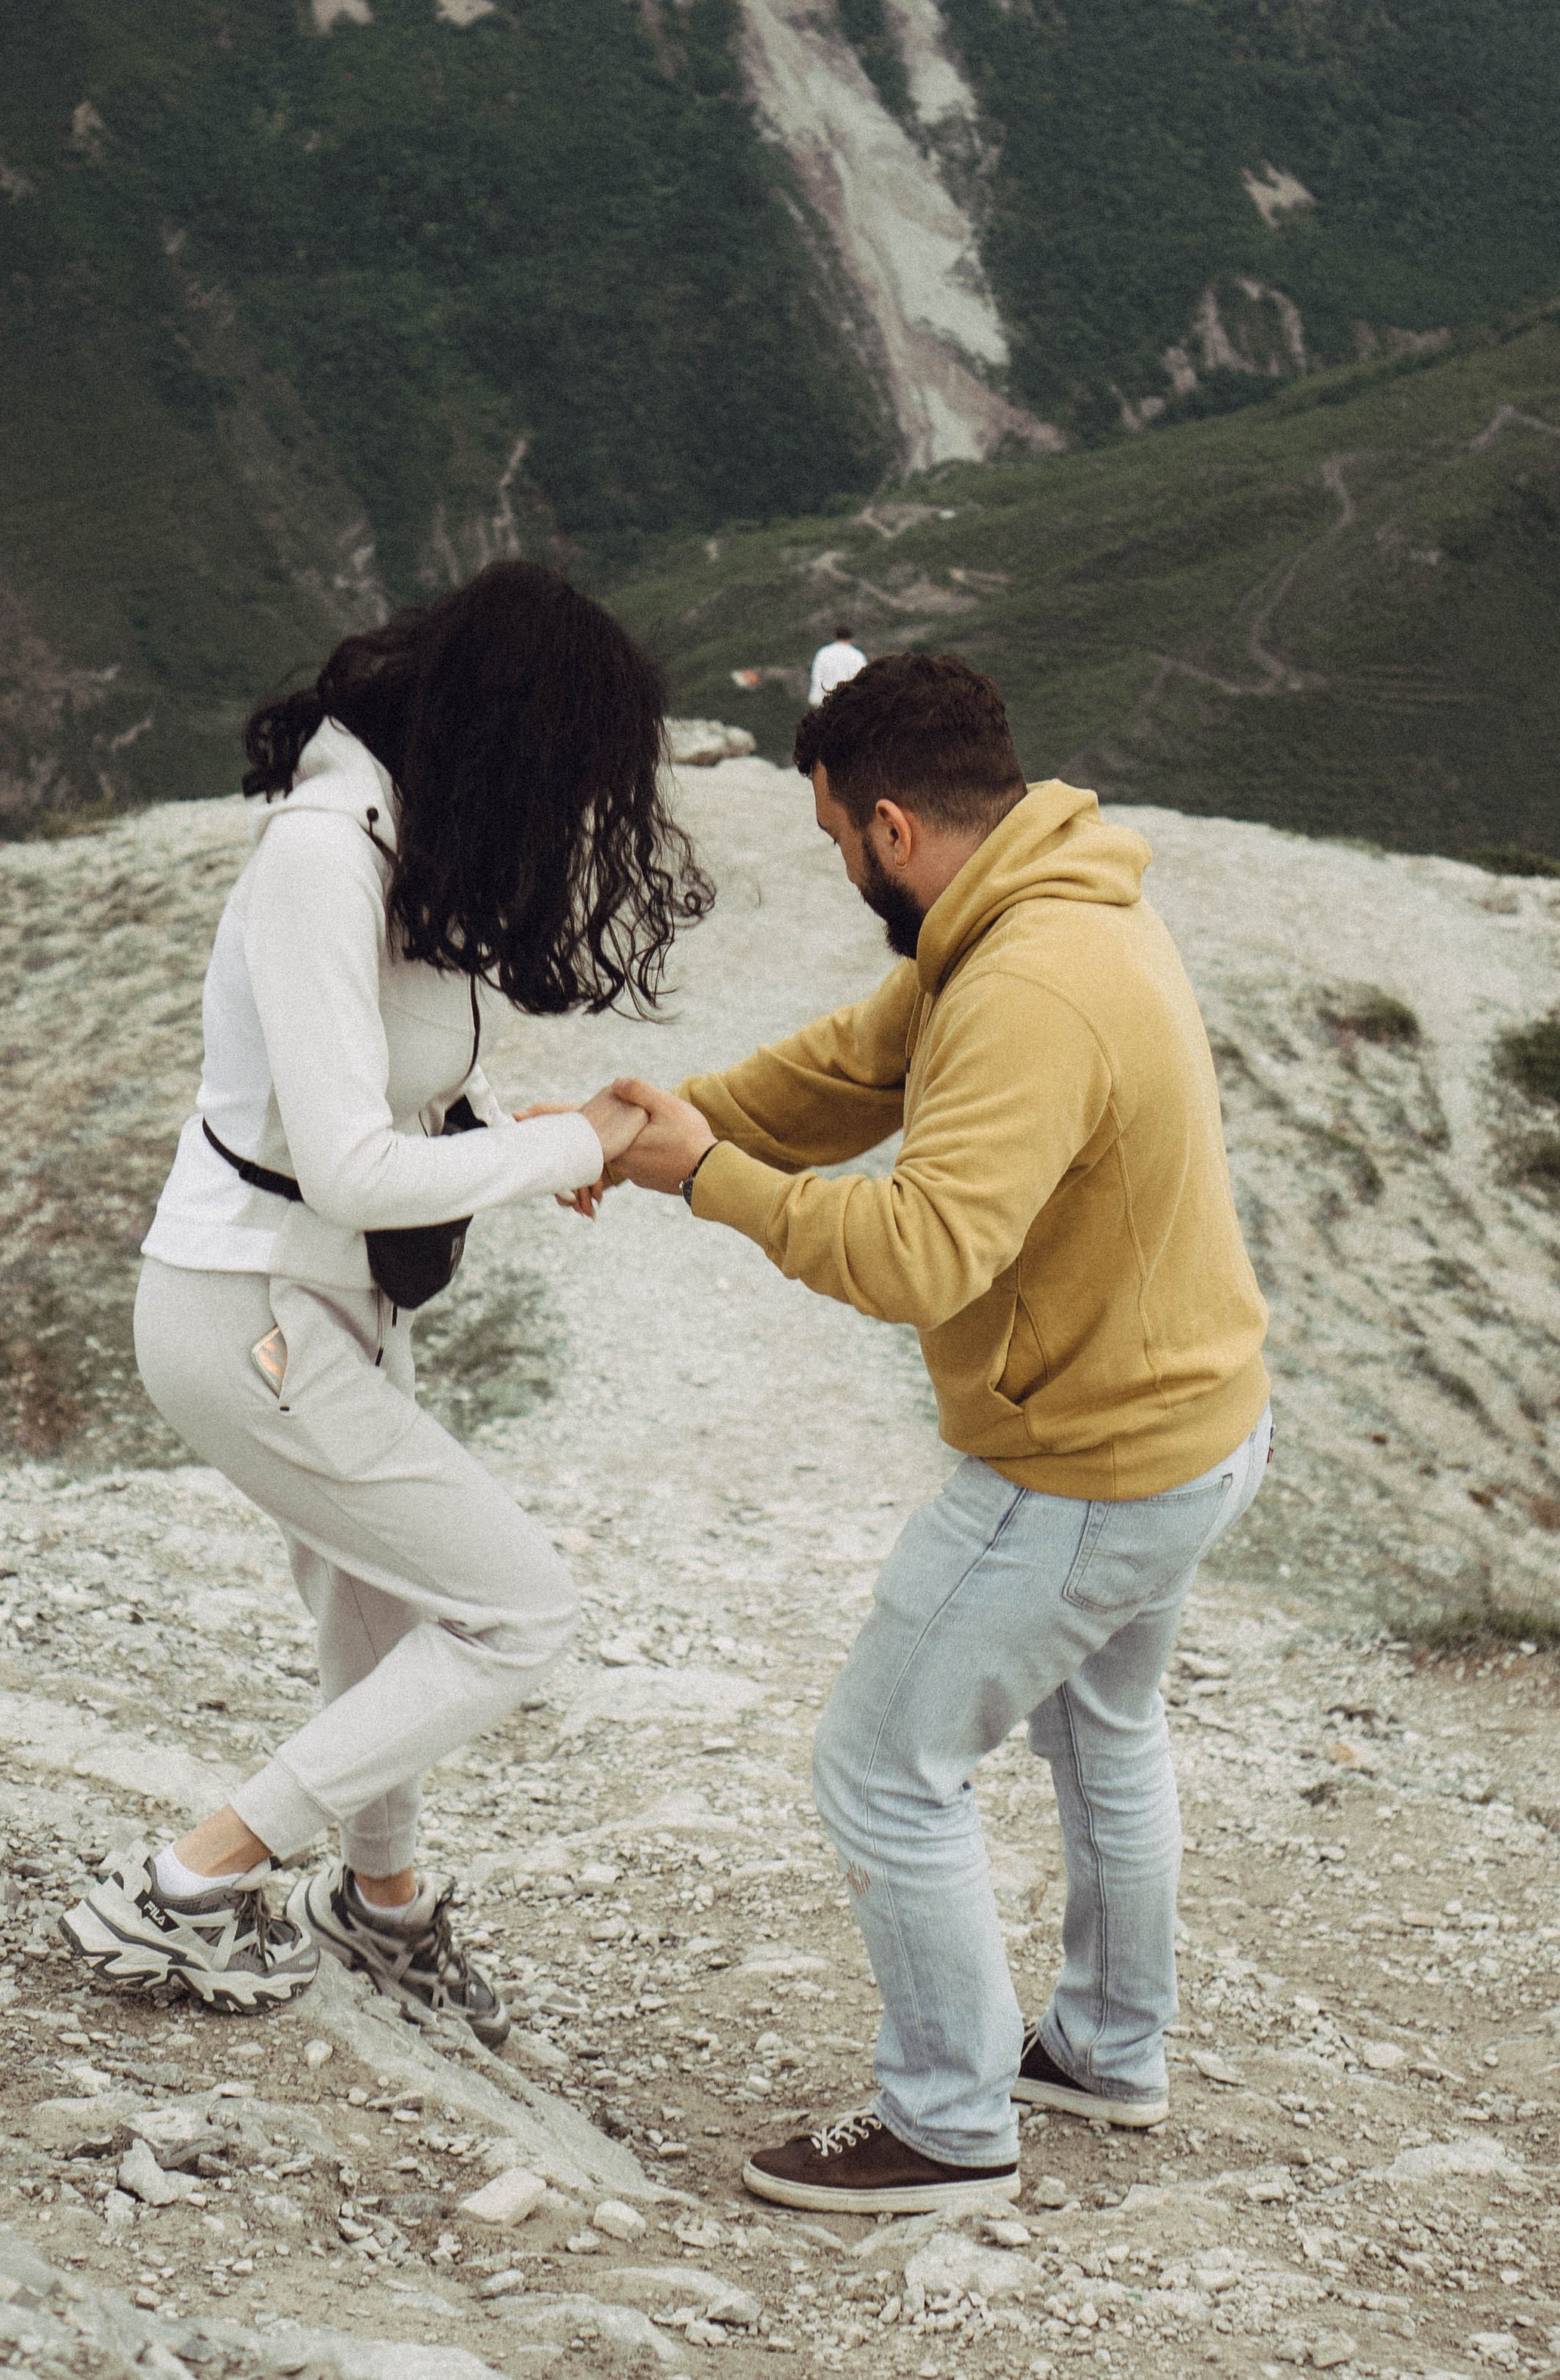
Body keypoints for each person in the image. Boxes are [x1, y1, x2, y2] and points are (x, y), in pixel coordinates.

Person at [604, 652, 1269, 2212]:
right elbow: (851, 1069)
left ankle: (948, 2124)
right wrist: (663, 1119)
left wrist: (708, 1180)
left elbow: (918, 1254)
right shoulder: (1038, 908)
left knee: (881, 1764)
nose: (842, 870)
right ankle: (1107, 2053)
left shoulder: (1026, 986)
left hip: (1090, 1465)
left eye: (836, 839)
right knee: (1103, 1735)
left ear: (888, 825)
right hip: (1185, 1425)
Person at [60, 563, 707, 2029]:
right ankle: (183, 1887)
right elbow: (346, 1168)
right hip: (248, 1309)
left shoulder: (394, 829)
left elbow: (379, 1076)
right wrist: (570, 1147)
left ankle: (383, 1903)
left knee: (377, 1605)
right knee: (517, 1614)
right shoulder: (319, 854)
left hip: (318, 1306)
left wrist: (501, 1126)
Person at [808, 624, 866, 707]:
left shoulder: (823, 653)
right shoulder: (857, 656)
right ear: (851, 639)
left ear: (835, 637)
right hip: (847, 703)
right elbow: (862, 680)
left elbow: (816, 676)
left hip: (823, 702)